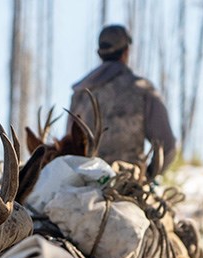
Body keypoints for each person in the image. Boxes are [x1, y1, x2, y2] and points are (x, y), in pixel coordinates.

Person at [67, 24, 177, 177]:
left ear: (100, 53)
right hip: (129, 184)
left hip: (85, 184)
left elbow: (70, 146)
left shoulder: (80, 93)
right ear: (126, 52)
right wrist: (149, 175)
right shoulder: (142, 89)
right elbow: (167, 145)